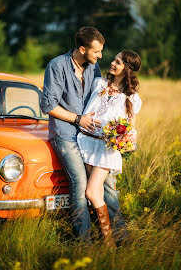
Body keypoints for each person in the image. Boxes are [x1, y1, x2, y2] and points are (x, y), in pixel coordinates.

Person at [41, 26, 126, 246]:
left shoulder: (93, 67)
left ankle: (121, 237)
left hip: (90, 138)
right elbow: (48, 105)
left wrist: (120, 130)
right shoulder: (57, 66)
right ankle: (85, 244)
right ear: (82, 49)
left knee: (107, 185)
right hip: (65, 134)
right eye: (96, 51)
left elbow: (100, 100)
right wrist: (78, 119)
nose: (100, 56)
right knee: (80, 184)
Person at [77, 49, 142, 245]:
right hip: (86, 141)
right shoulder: (99, 83)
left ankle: (109, 241)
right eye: (114, 60)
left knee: (91, 192)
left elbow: (130, 129)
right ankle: (106, 242)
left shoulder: (131, 98)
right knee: (94, 194)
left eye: (119, 62)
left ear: (127, 70)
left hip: (105, 149)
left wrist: (125, 141)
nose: (113, 63)